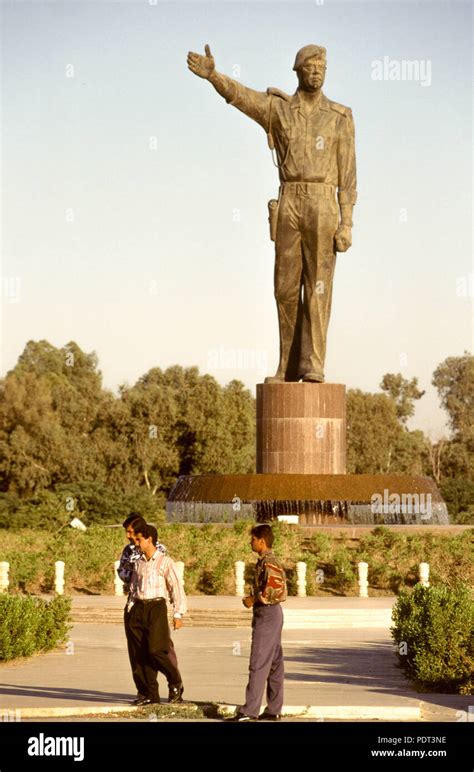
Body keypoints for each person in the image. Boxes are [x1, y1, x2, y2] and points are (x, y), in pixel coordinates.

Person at [187, 44, 357, 383]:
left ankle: (314, 363)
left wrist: (346, 221)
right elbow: (243, 97)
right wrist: (213, 77)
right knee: (285, 288)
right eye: (310, 66)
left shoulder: (340, 116)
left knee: (319, 287)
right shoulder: (279, 110)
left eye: (322, 66)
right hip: (290, 199)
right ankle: (287, 365)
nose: (317, 71)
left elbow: (349, 175)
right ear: (297, 71)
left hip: (323, 202)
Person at [226, 524, 287, 722]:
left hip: (268, 614)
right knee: (274, 663)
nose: (250, 542)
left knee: (258, 662)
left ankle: (249, 712)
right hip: (271, 613)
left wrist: (254, 599)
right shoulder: (266, 561)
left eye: (252, 539)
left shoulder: (269, 562)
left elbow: (275, 590)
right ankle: (274, 709)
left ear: (261, 540)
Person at [125, 523, 186, 706]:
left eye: (139, 539)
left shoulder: (165, 562)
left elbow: (176, 588)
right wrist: (130, 609)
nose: (136, 542)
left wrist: (178, 614)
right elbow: (134, 587)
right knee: (140, 654)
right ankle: (150, 693)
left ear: (149, 539)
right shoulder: (139, 563)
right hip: (138, 608)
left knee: (156, 650)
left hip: (156, 608)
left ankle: (175, 681)